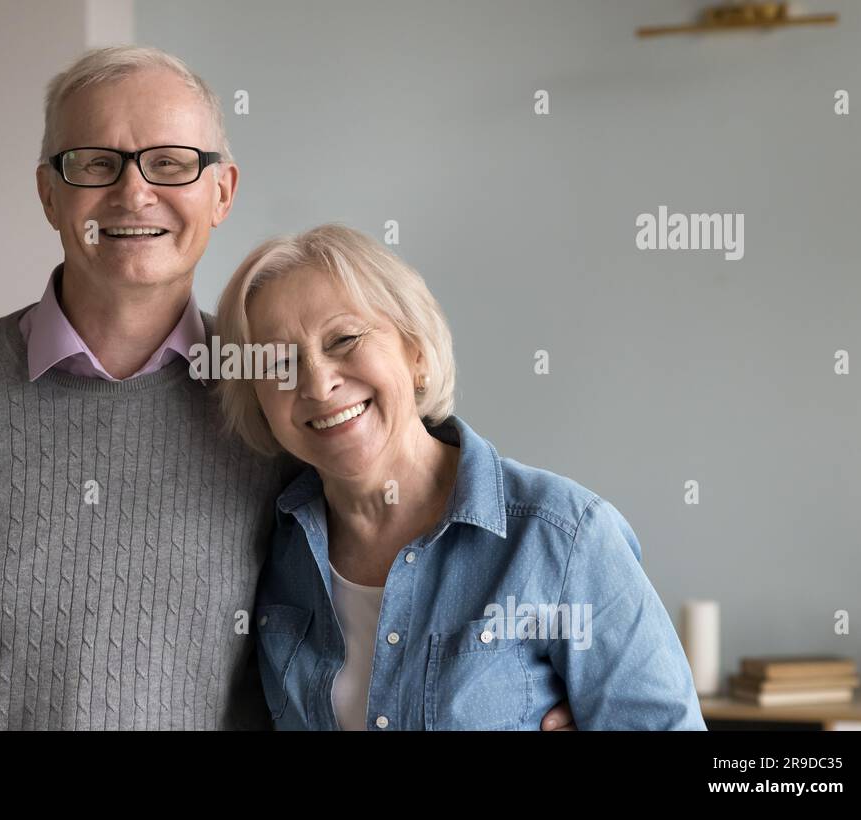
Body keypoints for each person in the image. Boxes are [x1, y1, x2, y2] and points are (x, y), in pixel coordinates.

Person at [0, 45, 578, 731]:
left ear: (221, 193)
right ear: (49, 193)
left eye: (171, 163)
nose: (135, 194)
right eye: (96, 162)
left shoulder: (280, 398)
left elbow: (410, 582)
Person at [215, 223, 706, 730]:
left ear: (417, 355)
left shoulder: (564, 536)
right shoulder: (269, 549)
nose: (318, 382)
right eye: (280, 363)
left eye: (343, 339)